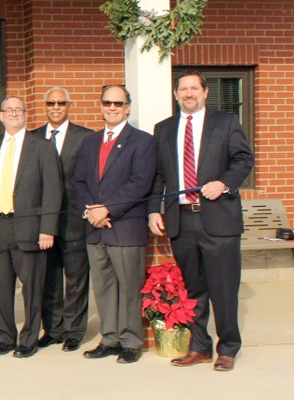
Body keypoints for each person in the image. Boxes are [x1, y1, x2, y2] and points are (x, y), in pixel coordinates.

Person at [149, 71, 254, 372]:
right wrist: (154, 210)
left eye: (194, 88)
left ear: (206, 92)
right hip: (181, 221)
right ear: (176, 94)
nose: (188, 93)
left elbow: (243, 160)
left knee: (223, 289)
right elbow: (158, 175)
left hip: (219, 220)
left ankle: (228, 347)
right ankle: (199, 347)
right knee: (194, 289)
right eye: (183, 89)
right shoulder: (164, 129)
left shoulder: (226, 123)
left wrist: (223, 183)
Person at [73, 86, 157, 364]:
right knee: (104, 287)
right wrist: (91, 211)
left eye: (118, 103)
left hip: (125, 227)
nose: (112, 107)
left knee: (128, 287)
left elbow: (140, 183)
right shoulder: (90, 142)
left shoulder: (142, 141)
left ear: (128, 107)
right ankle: (109, 338)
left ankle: (131, 342)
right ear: (100, 106)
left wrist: (108, 209)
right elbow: (80, 181)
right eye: (107, 102)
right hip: (95, 227)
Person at [0, 95, 63, 359]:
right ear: (1, 115)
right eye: (9, 109)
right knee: (1, 289)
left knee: (32, 288)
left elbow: (53, 190)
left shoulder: (42, 147)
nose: (14, 113)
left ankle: (28, 339)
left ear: (26, 115)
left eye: (19, 109)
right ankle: (5, 337)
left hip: (30, 227)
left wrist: (47, 229)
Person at [35, 87, 96, 352]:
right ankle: (52, 329)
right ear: (45, 106)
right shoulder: (34, 137)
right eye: (51, 103)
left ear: (69, 105)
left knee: (76, 278)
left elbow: (93, 179)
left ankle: (73, 331)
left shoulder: (86, 138)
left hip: (75, 220)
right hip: (45, 222)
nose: (56, 107)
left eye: (61, 102)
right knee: (48, 278)